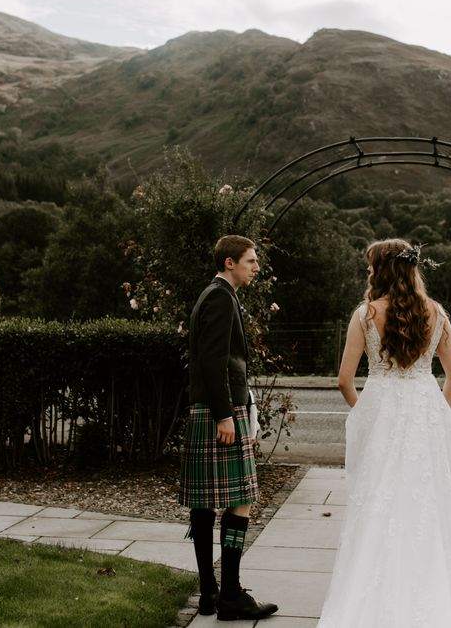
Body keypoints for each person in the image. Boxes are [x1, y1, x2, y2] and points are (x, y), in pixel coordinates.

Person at [316, 239, 451, 627]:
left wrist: (367, 414)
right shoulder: (438, 313)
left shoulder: (365, 315)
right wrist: (432, 414)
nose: (367, 272)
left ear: (380, 269)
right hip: (423, 414)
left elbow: (345, 380)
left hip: (382, 416)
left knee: (377, 507)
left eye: (369, 265)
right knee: (429, 510)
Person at [179, 234, 279, 622]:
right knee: (241, 500)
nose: (256, 268)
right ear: (229, 263)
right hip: (220, 410)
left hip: (208, 408)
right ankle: (232, 594)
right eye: (251, 261)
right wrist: (225, 415)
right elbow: (213, 360)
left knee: (204, 504)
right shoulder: (220, 297)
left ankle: (210, 593)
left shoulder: (214, 294)